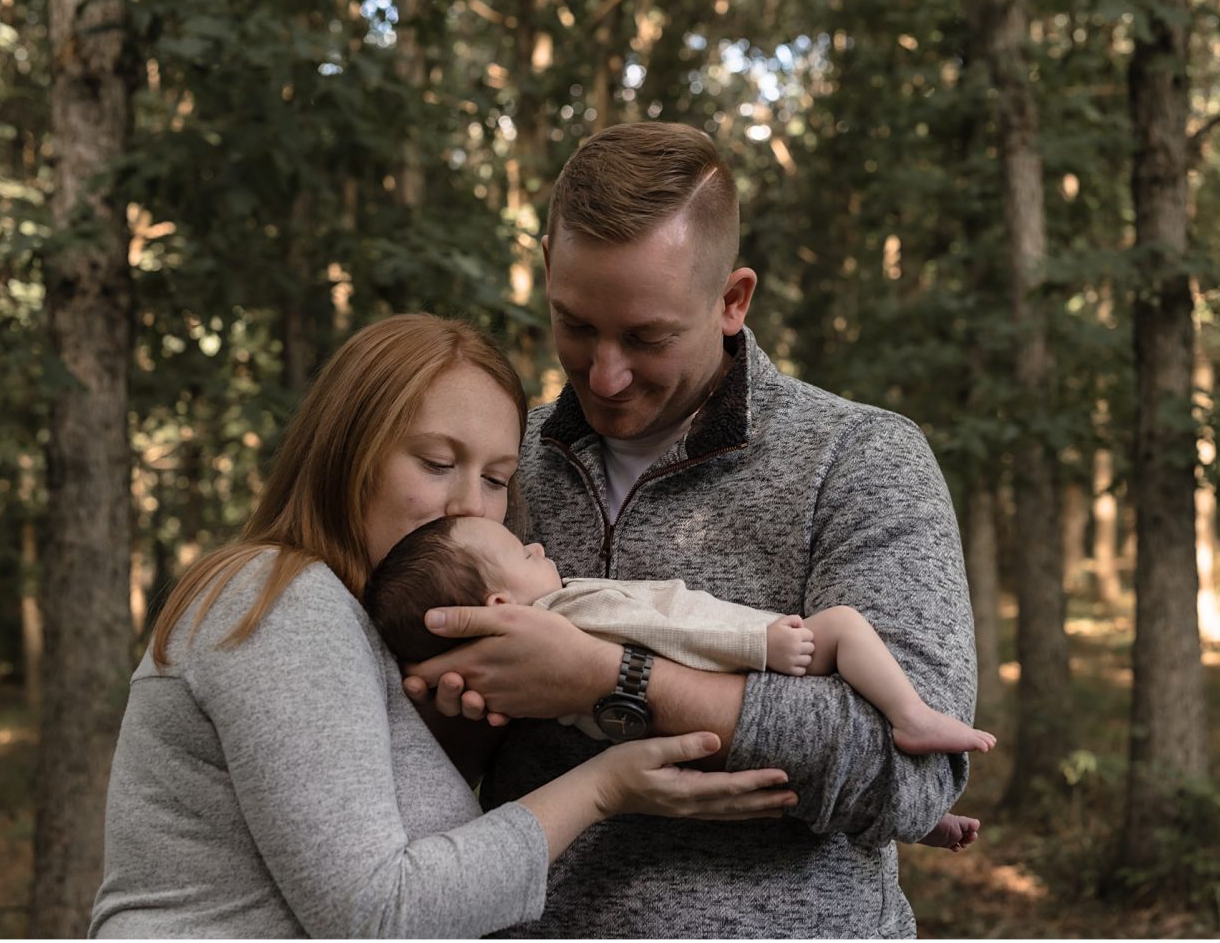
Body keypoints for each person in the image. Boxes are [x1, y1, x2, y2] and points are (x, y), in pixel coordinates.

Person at [403, 123, 979, 936]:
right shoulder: (498, 463)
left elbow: (911, 781)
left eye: (647, 337)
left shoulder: (860, 459)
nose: (606, 374)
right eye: (575, 324)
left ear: (733, 299)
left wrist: (617, 679)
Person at [89, 314, 795, 939]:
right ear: (347, 453)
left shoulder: (360, 623)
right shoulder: (284, 601)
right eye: (436, 463)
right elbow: (377, 915)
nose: (470, 507)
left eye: (495, 479)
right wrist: (605, 788)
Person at [366, 514, 988, 851]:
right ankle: (911, 716)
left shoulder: (539, 645)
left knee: (770, 779)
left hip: (683, 738)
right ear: (500, 602)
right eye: (522, 554)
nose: (536, 544)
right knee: (846, 627)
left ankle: (919, 817)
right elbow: (667, 630)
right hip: (742, 657)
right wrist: (760, 642)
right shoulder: (572, 614)